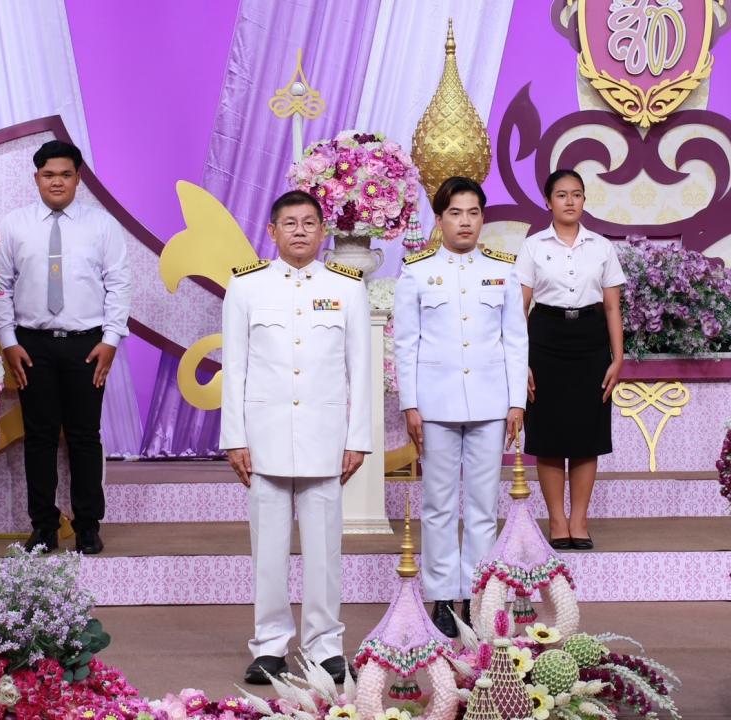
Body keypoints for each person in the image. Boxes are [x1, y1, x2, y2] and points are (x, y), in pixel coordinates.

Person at [220, 190, 371, 685]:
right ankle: (269, 646)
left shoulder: (346, 286)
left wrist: (357, 438)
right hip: (263, 438)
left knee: (325, 551)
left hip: (325, 438)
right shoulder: (246, 286)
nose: (300, 231)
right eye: (290, 223)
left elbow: (360, 369)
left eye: (309, 222)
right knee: (268, 550)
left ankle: (325, 646)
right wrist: (234, 438)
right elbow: (234, 368)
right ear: (272, 231)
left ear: (322, 230)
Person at [393, 176, 527, 639]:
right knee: (438, 505)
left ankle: (476, 596)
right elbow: (406, 344)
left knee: (483, 506)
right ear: (439, 219)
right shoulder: (416, 272)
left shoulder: (503, 270)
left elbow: (515, 341)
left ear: (483, 217)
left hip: (491, 404)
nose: (465, 222)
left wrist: (515, 402)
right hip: (436, 405)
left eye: (472, 212)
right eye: (455, 213)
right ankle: (442, 599)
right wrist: (410, 404)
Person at [0, 140, 130, 556]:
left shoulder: (102, 225)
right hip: (31, 346)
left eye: (65, 175)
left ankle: (87, 525)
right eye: (49, 174)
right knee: (39, 438)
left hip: (87, 345)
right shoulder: (14, 226)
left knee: (85, 437)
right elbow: (0, 286)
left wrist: (110, 341)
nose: (57, 182)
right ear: (36, 178)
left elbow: (118, 284)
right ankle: (43, 527)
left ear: (78, 179)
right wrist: (8, 342)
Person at [514, 169, 625, 551]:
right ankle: (557, 521)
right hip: (544, 339)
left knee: (585, 435)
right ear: (548, 201)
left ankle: (579, 520)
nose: (570, 201)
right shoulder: (532, 247)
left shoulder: (602, 247)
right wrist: (521, 361)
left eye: (576, 194)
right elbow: (520, 308)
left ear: (584, 200)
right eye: (561, 194)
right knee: (548, 435)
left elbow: (612, 307)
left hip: (591, 341)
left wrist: (618, 357)